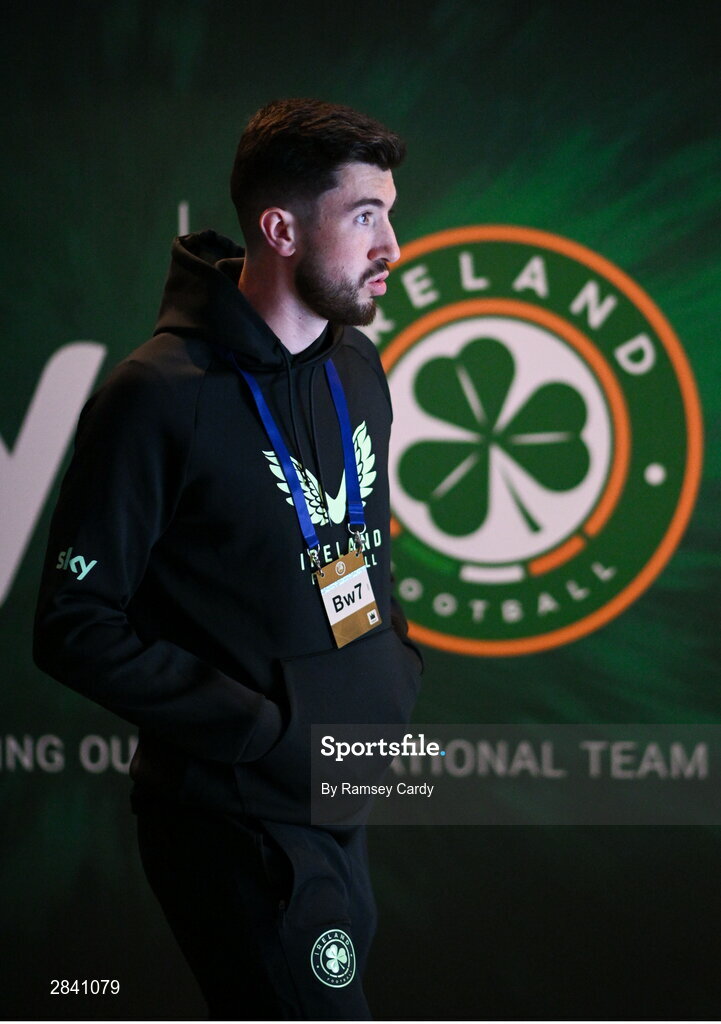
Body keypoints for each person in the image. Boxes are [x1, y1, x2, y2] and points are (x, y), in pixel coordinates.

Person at [33, 98, 423, 1020]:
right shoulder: (157, 398)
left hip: (339, 793)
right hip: (232, 818)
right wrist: (264, 732)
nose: (391, 246)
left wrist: (392, 670)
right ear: (280, 228)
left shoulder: (356, 370)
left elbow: (364, 550)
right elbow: (74, 626)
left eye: (389, 212)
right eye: (365, 215)